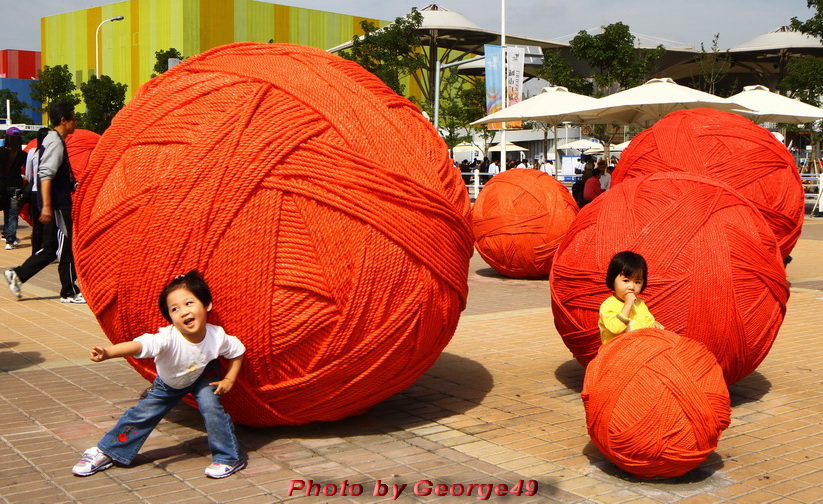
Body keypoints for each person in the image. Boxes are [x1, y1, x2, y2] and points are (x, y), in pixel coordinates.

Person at [71, 271, 247, 479]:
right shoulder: (167, 339)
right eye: (175, 309)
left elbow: (237, 351)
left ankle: (229, 457)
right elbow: (138, 345)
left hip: (204, 374)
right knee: (142, 414)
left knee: (211, 407)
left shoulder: (217, 335)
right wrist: (108, 352)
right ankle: (108, 451)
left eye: (189, 303)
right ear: (170, 318)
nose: (183, 312)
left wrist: (229, 379)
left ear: (207, 305)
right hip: (169, 383)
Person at [4, 101, 84, 303]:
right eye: (73, 118)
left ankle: (18, 275)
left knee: (49, 249)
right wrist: (48, 206)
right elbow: (46, 175)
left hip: (54, 201)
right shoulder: (55, 141)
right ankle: (69, 291)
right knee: (66, 247)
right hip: (57, 205)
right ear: (64, 120)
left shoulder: (50, 139)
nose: (76, 121)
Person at [598, 251, 664, 345]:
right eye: (626, 280)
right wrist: (628, 305)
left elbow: (648, 322)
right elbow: (616, 328)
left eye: (637, 282)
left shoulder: (640, 304)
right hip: (616, 353)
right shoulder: (608, 305)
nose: (632, 287)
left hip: (639, 350)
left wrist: (655, 325)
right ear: (613, 279)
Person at [23, 128, 50, 254]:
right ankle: (46, 250)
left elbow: (28, 173)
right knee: (48, 224)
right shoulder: (51, 153)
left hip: (35, 191)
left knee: (37, 224)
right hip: (48, 191)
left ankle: (36, 251)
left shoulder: (33, 152)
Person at [1, 127, 26, 249]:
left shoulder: (0, 151)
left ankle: (6, 233)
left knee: (6, 210)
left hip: (2, 186)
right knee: (13, 213)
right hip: (16, 186)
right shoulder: (22, 154)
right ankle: (10, 240)